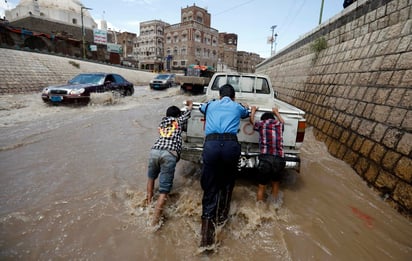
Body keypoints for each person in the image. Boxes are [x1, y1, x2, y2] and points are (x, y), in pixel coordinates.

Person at [199, 84, 249, 249]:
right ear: (233, 97)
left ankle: (206, 239)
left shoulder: (211, 104)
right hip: (230, 146)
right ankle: (222, 219)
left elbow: (201, 108)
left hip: (211, 145)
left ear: (220, 96)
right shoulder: (237, 106)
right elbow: (246, 113)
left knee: (210, 184)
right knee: (227, 182)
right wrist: (246, 107)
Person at [146, 100, 193, 226]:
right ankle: (154, 222)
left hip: (154, 151)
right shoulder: (178, 121)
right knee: (164, 191)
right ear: (177, 116)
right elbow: (188, 112)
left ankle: (148, 205)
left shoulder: (162, 123)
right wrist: (190, 104)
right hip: (169, 154)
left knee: (151, 179)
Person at [249, 106, 286, 209]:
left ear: (263, 119)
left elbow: (252, 121)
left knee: (262, 186)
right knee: (275, 184)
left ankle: (259, 211)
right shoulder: (279, 125)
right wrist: (276, 112)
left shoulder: (261, 124)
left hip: (266, 159)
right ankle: (274, 208)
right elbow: (282, 121)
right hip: (279, 159)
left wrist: (253, 111)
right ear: (273, 119)